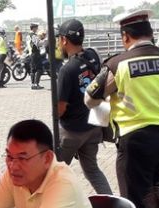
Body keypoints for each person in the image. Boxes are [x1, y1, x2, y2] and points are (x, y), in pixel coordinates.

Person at [85, 10, 159, 208]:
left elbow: (90, 98)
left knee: (135, 205)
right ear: (150, 33)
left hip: (136, 142)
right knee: (153, 197)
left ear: (125, 36)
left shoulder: (118, 64)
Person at [56, 19, 112, 195]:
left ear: (64, 40)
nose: (58, 43)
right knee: (92, 171)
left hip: (71, 133)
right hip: (93, 127)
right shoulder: (93, 55)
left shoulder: (67, 70)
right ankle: (112, 206)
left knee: (54, 173)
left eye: (59, 38)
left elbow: (61, 108)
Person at [27, 23, 43, 89]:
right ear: (33, 28)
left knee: (33, 69)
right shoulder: (33, 35)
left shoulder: (28, 35)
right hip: (35, 53)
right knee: (39, 69)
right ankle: (36, 84)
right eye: (36, 27)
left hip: (31, 53)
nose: (37, 29)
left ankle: (33, 84)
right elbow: (38, 44)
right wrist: (44, 41)